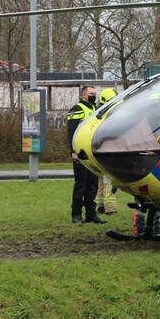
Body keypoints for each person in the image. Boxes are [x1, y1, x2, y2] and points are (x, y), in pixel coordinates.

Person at [66, 85, 104, 224]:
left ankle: (91, 215)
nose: (94, 96)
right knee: (81, 185)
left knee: (93, 185)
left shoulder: (94, 109)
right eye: (91, 94)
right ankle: (76, 215)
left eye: (95, 93)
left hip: (92, 154)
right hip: (80, 154)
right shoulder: (77, 109)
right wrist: (73, 152)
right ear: (83, 95)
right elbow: (71, 132)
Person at [94, 88, 118, 215]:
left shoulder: (98, 113)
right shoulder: (112, 115)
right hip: (109, 151)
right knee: (109, 181)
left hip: (99, 151)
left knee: (102, 180)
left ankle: (100, 205)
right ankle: (110, 208)